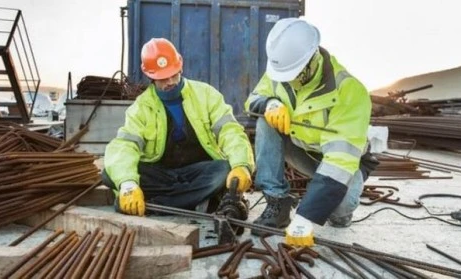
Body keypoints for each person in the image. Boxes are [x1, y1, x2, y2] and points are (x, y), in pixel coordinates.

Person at [245, 18, 377, 246]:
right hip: (301, 149)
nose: (289, 82)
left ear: (312, 59)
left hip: (341, 163)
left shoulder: (350, 92)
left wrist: (305, 218)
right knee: (265, 122)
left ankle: (343, 207)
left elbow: (338, 163)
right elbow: (252, 100)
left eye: (293, 75)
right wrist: (269, 104)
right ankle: (277, 202)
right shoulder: (281, 71)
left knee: (337, 212)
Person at [103, 38, 255, 216]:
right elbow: (124, 146)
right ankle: (195, 201)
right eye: (163, 78)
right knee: (109, 175)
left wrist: (241, 165)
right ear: (150, 76)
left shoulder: (206, 94)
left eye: (173, 74)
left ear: (180, 66)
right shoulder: (141, 107)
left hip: (198, 171)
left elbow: (230, 130)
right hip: (162, 175)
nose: (170, 82)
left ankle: (157, 205)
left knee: (223, 169)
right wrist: (128, 185)